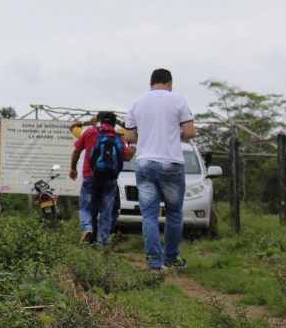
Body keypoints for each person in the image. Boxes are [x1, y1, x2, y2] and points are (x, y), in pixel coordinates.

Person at [123, 68, 196, 271]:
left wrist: (146, 135)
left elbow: (129, 138)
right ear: (170, 83)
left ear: (151, 84)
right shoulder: (177, 100)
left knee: (149, 215)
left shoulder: (137, 103)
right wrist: (172, 134)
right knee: (173, 214)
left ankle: (154, 263)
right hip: (170, 164)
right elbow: (190, 131)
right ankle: (170, 259)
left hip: (145, 163)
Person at [69, 112, 135, 246]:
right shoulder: (119, 135)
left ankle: (87, 228)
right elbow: (127, 156)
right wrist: (133, 147)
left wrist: (73, 168)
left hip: (90, 175)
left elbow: (76, 150)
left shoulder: (89, 132)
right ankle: (102, 242)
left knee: (86, 207)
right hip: (110, 178)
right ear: (114, 122)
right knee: (106, 211)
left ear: (98, 121)